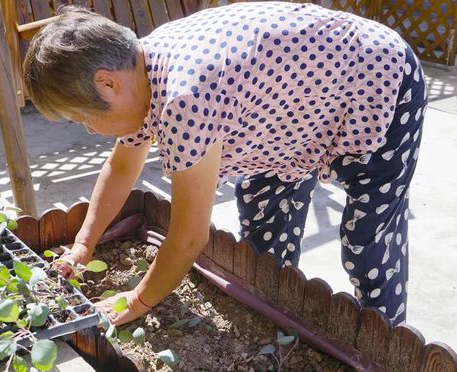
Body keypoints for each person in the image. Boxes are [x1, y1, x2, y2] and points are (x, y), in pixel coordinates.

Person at [23, 1, 427, 327]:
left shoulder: (184, 96)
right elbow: (123, 167)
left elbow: (188, 236)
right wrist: (83, 243)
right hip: (291, 105)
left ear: (108, 83)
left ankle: (388, 340)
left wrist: (139, 299)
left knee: (368, 239)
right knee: (262, 212)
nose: (91, 130)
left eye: (85, 118)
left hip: (378, 82)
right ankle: (277, 314)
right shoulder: (138, 70)